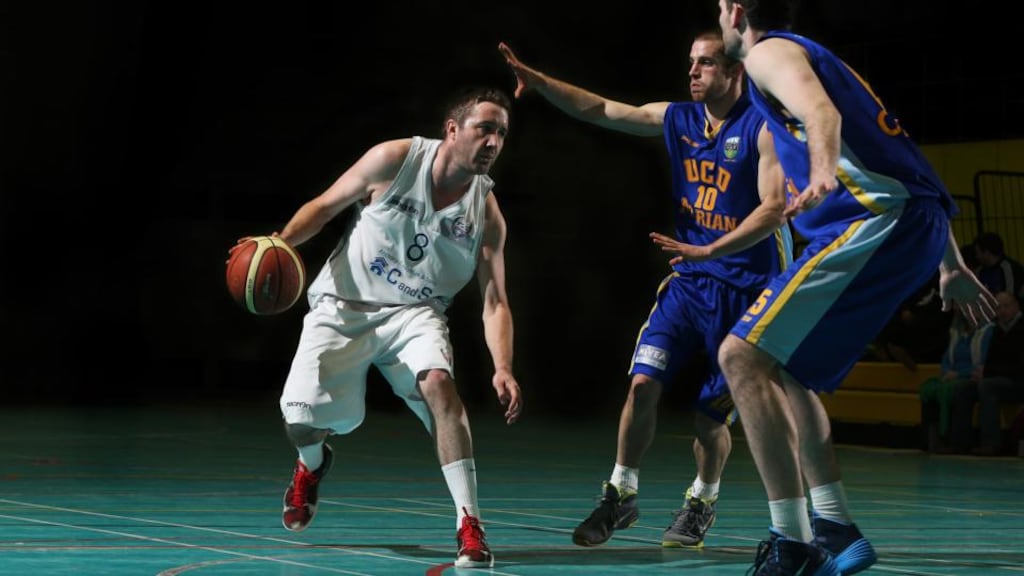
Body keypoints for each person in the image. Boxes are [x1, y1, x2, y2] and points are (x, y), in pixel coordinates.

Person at [712, 1, 999, 574]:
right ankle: (836, 528)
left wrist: (821, 169)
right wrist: (950, 262)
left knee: (739, 356)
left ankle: (790, 544)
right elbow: (905, 160)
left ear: (737, 10)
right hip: (912, 220)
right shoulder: (824, 60)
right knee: (790, 373)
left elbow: (821, 116)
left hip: (871, 219)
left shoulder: (770, 52)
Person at [498, 33, 793, 549]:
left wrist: (710, 249)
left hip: (749, 292)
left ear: (735, 72)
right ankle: (621, 493)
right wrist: (540, 83)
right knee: (642, 382)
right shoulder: (680, 118)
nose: (694, 72)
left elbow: (773, 209)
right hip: (690, 282)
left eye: (706, 63)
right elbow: (604, 109)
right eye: (691, 63)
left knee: (708, 420)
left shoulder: (762, 127)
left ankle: (701, 500)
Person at [230, 86, 523, 569]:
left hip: (416, 314)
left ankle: (470, 524)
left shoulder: (486, 213)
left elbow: (495, 301)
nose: (493, 141)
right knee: (299, 419)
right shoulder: (394, 160)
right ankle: (312, 463)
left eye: (501, 134)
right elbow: (324, 207)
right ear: (452, 130)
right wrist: (276, 244)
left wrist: (503, 365)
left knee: (441, 389)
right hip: (344, 306)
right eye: (484, 129)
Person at [949, 291, 1024, 455]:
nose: (1002, 311)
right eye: (998, 307)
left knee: (987, 386)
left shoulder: (1021, 329)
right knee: (963, 389)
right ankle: (959, 443)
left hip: (1019, 382)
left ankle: (991, 444)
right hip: (1000, 380)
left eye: (1006, 306)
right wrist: (984, 372)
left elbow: (1019, 367)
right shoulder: (998, 329)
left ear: (1017, 306)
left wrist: (988, 372)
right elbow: (992, 362)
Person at [919, 307, 992, 452]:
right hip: (952, 376)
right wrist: (947, 372)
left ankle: (957, 442)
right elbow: (946, 358)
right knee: (929, 390)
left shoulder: (988, 331)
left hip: (973, 378)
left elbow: (983, 364)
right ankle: (931, 441)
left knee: (960, 390)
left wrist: (959, 375)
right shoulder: (956, 332)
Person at [973, 232, 1024, 300]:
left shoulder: (1008, 268)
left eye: (977, 252)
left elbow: (1010, 296)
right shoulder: (980, 270)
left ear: (987, 252)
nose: (977, 256)